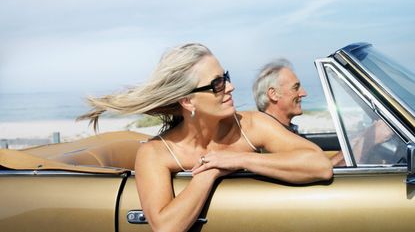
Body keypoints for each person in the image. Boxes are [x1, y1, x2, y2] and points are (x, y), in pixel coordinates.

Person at [79, 43, 333, 232]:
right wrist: (210, 171)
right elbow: (165, 227)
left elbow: (320, 166)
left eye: (226, 78)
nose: (230, 87)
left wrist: (240, 160)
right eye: (217, 84)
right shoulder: (155, 153)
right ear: (188, 100)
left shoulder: (252, 124)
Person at [252, 59, 393, 167]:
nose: (303, 93)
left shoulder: (282, 130)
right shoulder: (272, 136)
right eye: (295, 88)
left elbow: (319, 166)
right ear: (274, 94)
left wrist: (359, 140)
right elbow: (317, 175)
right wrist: (367, 141)